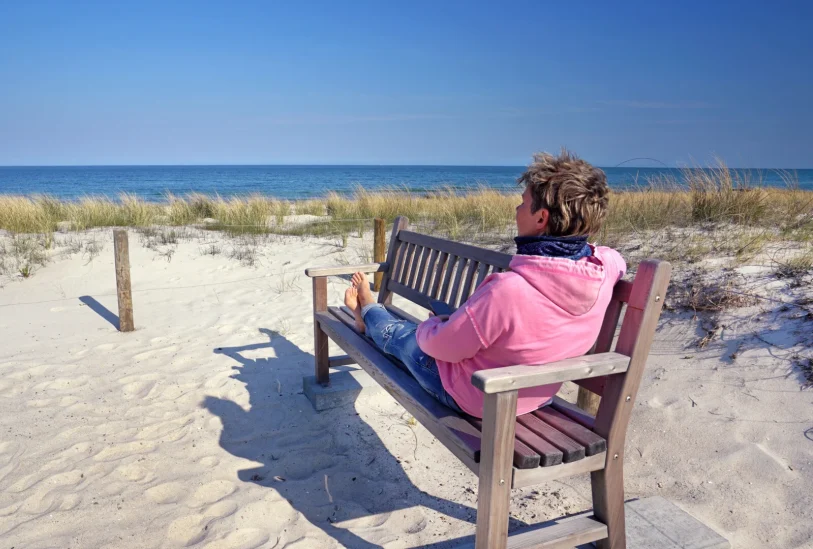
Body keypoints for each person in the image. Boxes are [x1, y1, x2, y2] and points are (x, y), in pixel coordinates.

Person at [343, 150, 626, 418]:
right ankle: (370, 314)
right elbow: (614, 259)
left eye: (523, 203)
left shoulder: (509, 290)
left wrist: (432, 326)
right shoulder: (605, 267)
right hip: (535, 396)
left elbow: (442, 347)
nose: (517, 209)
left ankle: (367, 309)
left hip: (474, 396)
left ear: (541, 218)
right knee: (420, 332)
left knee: (401, 335)